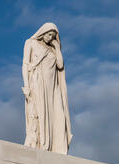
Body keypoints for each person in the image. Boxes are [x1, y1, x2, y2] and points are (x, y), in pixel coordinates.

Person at [22, 22, 72, 154]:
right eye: (49, 34)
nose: (50, 38)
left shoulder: (52, 49)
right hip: (38, 83)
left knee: (58, 115)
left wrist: (57, 48)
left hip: (53, 88)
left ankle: (56, 148)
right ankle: (41, 146)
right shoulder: (30, 43)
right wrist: (26, 85)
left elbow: (60, 65)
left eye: (53, 36)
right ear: (43, 32)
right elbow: (25, 65)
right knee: (40, 114)